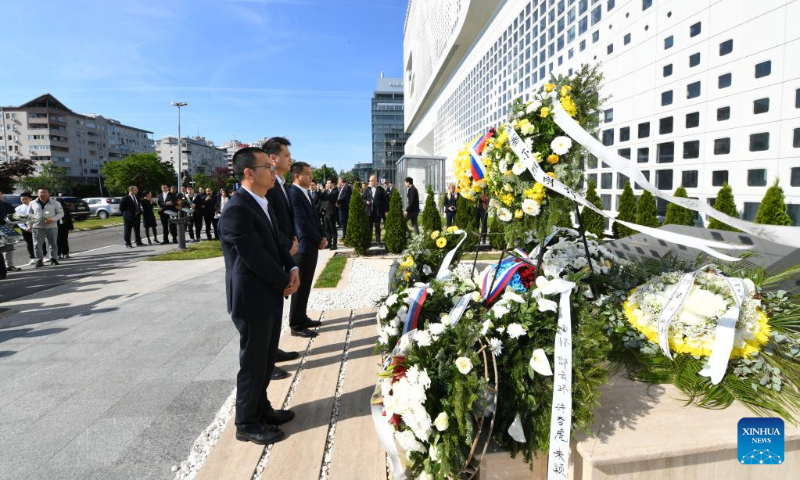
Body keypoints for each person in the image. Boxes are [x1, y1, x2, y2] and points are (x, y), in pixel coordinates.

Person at [219, 146, 299, 445]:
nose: (273, 170)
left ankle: (260, 408)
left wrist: (292, 267)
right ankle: (246, 422)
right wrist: (285, 281)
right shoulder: (237, 209)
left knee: (266, 358)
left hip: (269, 292)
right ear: (249, 172)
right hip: (252, 297)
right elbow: (255, 257)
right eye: (267, 166)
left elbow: (276, 245)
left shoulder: (260, 202)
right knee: (253, 362)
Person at [262, 137, 301, 378]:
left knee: (276, 309)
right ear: (273, 158)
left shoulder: (281, 183)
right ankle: (266, 362)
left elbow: (285, 218)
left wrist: (293, 240)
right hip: (277, 251)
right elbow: (271, 222)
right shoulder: (268, 186)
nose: (290, 159)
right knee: (268, 311)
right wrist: (288, 245)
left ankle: (273, 351)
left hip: (286, 250)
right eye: (286, 155)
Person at [289, 161, 326, 338]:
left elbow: (314, 219)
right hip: (303, 248)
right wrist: (318, 239)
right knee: (299, 286)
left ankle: (302, 317)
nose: (311, 177)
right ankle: (296, 325)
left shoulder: (304, 193)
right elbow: (301, 223)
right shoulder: (294, 193)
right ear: (297, 176)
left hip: (311, 245)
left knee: (306, 285)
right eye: (308, 174)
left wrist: (323, 236)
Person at [29, 188, 63, 268]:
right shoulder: (33, 203)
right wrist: (29, 224)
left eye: (45, 192)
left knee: (53, 243)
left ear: (48, 193)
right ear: (38, 194)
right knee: (37, 244)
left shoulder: (55, 203)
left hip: (51, 226)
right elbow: (30, 214)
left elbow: (61, 213)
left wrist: (53, 219)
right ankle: (39, 260)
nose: (43, 194)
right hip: (37, 226)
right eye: (41, 192)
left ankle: (53, 258)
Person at [362, 174, 387, 246]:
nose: (370, 182)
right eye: (370, 181)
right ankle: (369, 241)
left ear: (375, 180)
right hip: (369, 211)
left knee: (377, 227)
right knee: (369, 227)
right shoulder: (367, 189)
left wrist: (385, 210)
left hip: (378, 211)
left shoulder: (381, 189)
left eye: (372, 181)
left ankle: (378, 241)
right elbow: (362, 198)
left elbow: (385, 200)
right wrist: (366, 202)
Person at [14, 192, 37, 264]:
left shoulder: (36, 206)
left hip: (36, 226)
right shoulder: (18, 208)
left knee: (39, 242)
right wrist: (25, 228)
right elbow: (18, 220)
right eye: (22, 199)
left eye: (26, 199)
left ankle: (42, 255)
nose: (24, 201)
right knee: (29, 243)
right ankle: (32, 257)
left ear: (31, 198)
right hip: (25, 228)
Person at [0, 192, 20, 272]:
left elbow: (15, 217)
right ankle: (2, 267)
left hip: (7, 228)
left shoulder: (7, 205)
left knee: (8, 247)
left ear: (2, 195)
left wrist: (12, 222)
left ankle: (9, 265)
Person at [320, 179, 339, 250]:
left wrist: (323, 191)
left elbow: (330, 197)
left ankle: (334, 244)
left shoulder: (335, 191)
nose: (327, 185)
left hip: (332, 212)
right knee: (327, 229)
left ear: (333, 184)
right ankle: (329, 243)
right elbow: (322, 199)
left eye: (329, 183)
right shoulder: (326, 191)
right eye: (327, 183)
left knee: (332, 228)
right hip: (325, 212)